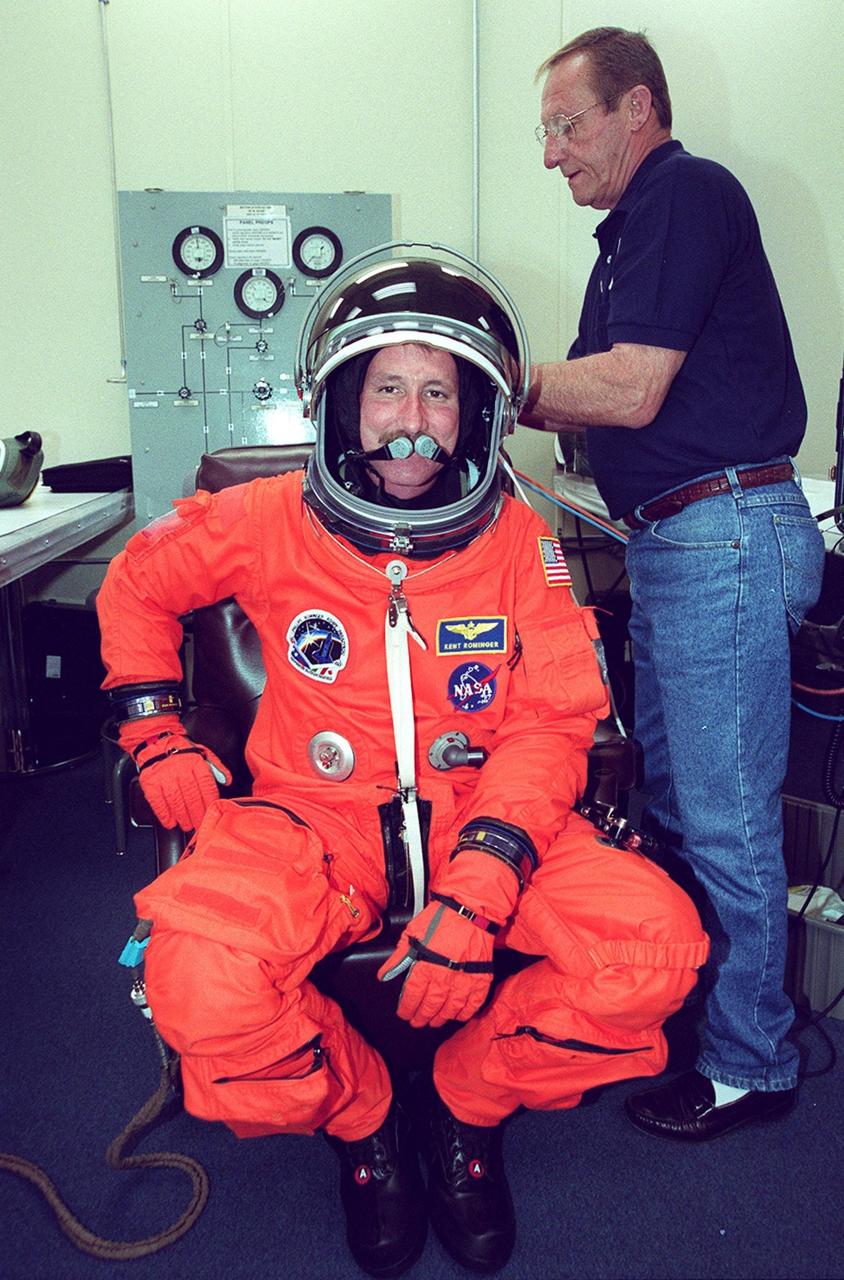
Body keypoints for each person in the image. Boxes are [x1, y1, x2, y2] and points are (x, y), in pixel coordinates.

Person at [97, 246, 708, 1277]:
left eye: (438, 389)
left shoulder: (524, 539)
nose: (412, 415)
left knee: (653, 949)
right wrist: (156, 729)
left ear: (474, 412)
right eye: (388, 387)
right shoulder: (261, 518)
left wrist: (479, 885)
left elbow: (555, 719)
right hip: (310, 818)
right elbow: (137, 583)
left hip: (490, 816)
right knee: (199, 982)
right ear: (342, 400)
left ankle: (466, 1103)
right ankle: (366, 1114)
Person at [522, 27, 826, 1143]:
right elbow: (597, 393)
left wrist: (502, 376)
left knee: (724, 817)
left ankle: (752, 1061)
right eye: (542, 132)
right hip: (680, 547)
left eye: (567, 124)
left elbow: (633, 387)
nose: (551, 153)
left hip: (722, 543)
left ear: (634, 107)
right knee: (671, 808)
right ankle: (704, 1017)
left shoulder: (683, 193)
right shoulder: (627, 237)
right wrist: (530, 398)